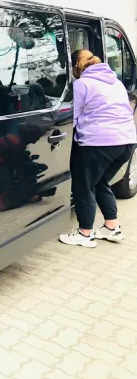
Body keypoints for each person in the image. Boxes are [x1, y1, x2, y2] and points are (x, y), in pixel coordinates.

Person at [59, 49, 136, 248]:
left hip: (99, 143)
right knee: (100, 181)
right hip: (127, 141)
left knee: (83, 185)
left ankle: (85, 234)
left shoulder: (81, 84)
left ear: (76, 66)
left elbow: (72, 118)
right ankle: (112, 227)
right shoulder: (116, 82)